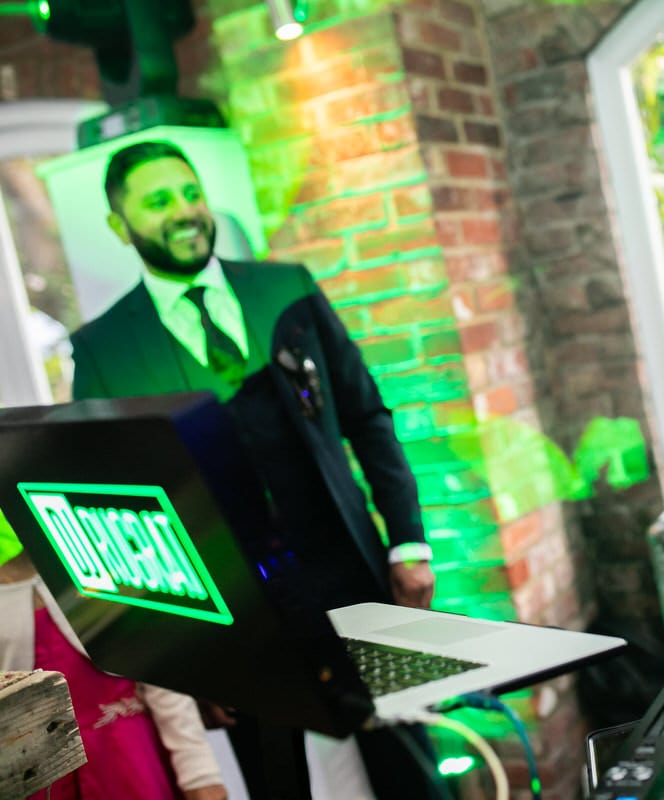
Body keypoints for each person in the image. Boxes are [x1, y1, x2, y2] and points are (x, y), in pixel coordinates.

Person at [68, 140, 438, 798]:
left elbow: (366, 417)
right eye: (158, 202)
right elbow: (123, 518)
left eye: (190, 193)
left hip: (352, 576)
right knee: (276, 788)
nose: (185, 212)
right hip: (241, 626)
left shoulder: (285, 289)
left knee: (412, 770)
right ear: (118, 226)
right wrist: (193, 663)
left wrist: (408, 540)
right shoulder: (102, 350)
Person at [0, 519, 227, 800]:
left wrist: (199, 774)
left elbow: (156, 674)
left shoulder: (98, 562)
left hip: (130, 759)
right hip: (39, 775)